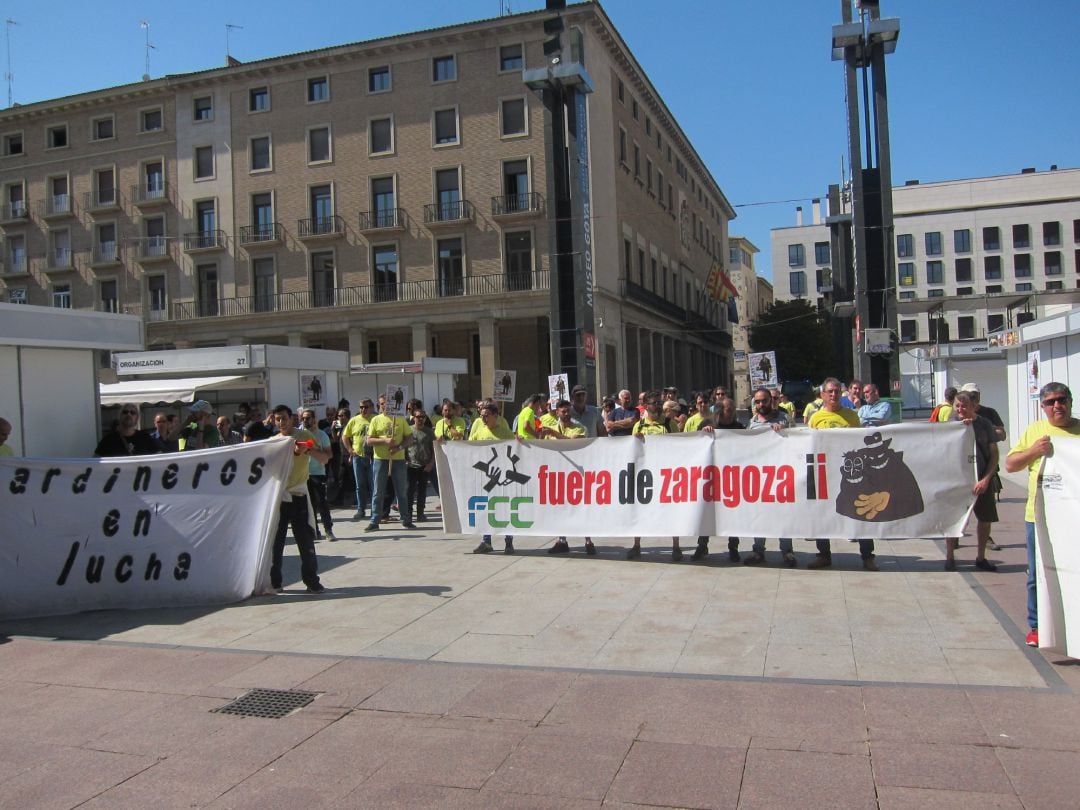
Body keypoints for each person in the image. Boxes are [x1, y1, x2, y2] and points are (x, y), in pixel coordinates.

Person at [1005, 382, 1080, 648]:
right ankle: (1037, 626)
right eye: (1051, 402)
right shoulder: (1036, 431)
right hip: (1039, 517)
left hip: (1074, 517)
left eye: (1062, 400)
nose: (1057, 406)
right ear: (1043, 406)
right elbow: (1011, 464)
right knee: (1038, 574)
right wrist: (1035, 451)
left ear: (1070, 401)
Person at [808, 377, 878, 571]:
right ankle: (823, 554)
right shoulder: (815, 418)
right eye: (829, 391)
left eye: (837, 391)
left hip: (851, 473)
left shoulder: (852, 416)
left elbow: (860, 443)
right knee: (822, 513)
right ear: (822, 395)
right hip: (825, 473)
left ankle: (867, 556)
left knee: (861, 511)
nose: (833, 394)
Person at [267, 404, 328, 594]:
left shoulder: (304, 437)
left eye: (284, 418)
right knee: (275, 543)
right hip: (279, 497)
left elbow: (325, 458)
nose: (281, 422)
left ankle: (312, 580)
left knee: (305, 541)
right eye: (277, 419)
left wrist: (306, 451)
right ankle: (274, 581)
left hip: (299, 495)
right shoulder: (272, 441)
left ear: (292, 418)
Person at [741, 388, 797, 567]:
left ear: (771, 401)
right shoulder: (752, 423)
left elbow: (796, 441)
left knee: (783, 514)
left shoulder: (783, 418)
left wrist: (783, 432)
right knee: (759, 514)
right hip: (759, 476)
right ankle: (758, 551)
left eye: (763, 401)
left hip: (780, 475)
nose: (760, 405)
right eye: (757, 402)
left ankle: (787, 551)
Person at [944, 391, 998, 572]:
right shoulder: (951, 425)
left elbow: (994, 453)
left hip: (981, 480)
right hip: (958, 481)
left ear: (973, 406)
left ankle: (981, 557)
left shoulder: (984, 425)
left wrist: (986, 479)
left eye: (964, 406)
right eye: (957, 406)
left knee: (985, 520)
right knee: (953, 519)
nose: (960, 409)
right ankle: (950, 557)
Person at [627, 392, 682, 561]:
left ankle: (676, 547)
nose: (658, 405)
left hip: (665, 473)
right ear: (646, 406)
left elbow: (679, 445)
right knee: (639, 510)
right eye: (654, 403)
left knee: (671, 510)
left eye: (659, 402)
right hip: (646, 475)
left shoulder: (669, 423)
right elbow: (633, 451)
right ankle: (636, 545)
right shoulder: (639, 426)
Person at [542, 400, 596, 556]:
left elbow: (574, 443)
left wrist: (555, 435)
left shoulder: (579, 428)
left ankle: (588, 540)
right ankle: (562, 540)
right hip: (557, 474)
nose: (566, 414)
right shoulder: (550, 429)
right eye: (562, 411)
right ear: (557, 412)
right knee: (560, 508)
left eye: (568, 411)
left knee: (581, 506)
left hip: (577, 475)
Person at [470, 402, 517, 554]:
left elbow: (515, 452)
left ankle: (508, 542)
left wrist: (520, 441)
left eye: (486, 416)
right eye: (481, 416)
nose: (483, 419)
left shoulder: (504, 432)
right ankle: (486, 541)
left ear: (495, 416)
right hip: (486, 478)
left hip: (503, 480)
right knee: (486, 509)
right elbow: (467, 448)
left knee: (505, 509)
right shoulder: (480, 432)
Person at [364, 397, 414, 532]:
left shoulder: (400, 419)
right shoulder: (376, 420)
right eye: (381, 404)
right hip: (380, 459)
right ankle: (375, 520)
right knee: (378, 491)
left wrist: (399, 447)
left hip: (398, 459)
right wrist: (385, 441)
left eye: (387, 404)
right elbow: (369, 440)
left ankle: (406, 519)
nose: (384, 406)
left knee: (401, 491)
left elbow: (409, 438)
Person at [300, 408, 335, 541]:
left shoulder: (321, 435)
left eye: (308, 418)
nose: (305, 420)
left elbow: (329, 454)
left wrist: (316, 452)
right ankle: (314, 530)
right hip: (303, 473)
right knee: (309, 504)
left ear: (314, 419)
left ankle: (328, 530)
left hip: (318, 473)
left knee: (322, 502)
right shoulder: (300, 434)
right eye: (303, 418)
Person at [343, 400, 375, 520]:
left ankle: (374, 510)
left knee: (373, 485)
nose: (363, 409)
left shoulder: (375, 419)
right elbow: (345, 436)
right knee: (360, 485)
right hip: (358, 457)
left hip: (372, 457)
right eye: (361, 407)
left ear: (371, 407)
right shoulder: (354, 420)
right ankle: (361, 509)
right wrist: (350, 450)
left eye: (366, 407)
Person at [94, 403, 163, 457]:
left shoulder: (145, 437)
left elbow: (159, 457)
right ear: (120, 417)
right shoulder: (108, 440)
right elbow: (95, 462)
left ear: (137, 418)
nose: (128, 414)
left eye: (132, 413)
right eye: (125, 412)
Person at [405, 407, 435, 523]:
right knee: (409, 491)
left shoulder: (429, 432)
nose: (420, 419)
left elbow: (434, 450)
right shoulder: (408, 430)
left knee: (422, 491)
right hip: (411, 465)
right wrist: (405, 460)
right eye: (418, 417)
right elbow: (404, 447)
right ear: (414, 418)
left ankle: (420, 514)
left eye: (423, 417)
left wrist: (431, 464)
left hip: (424, 466)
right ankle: (408, 513)